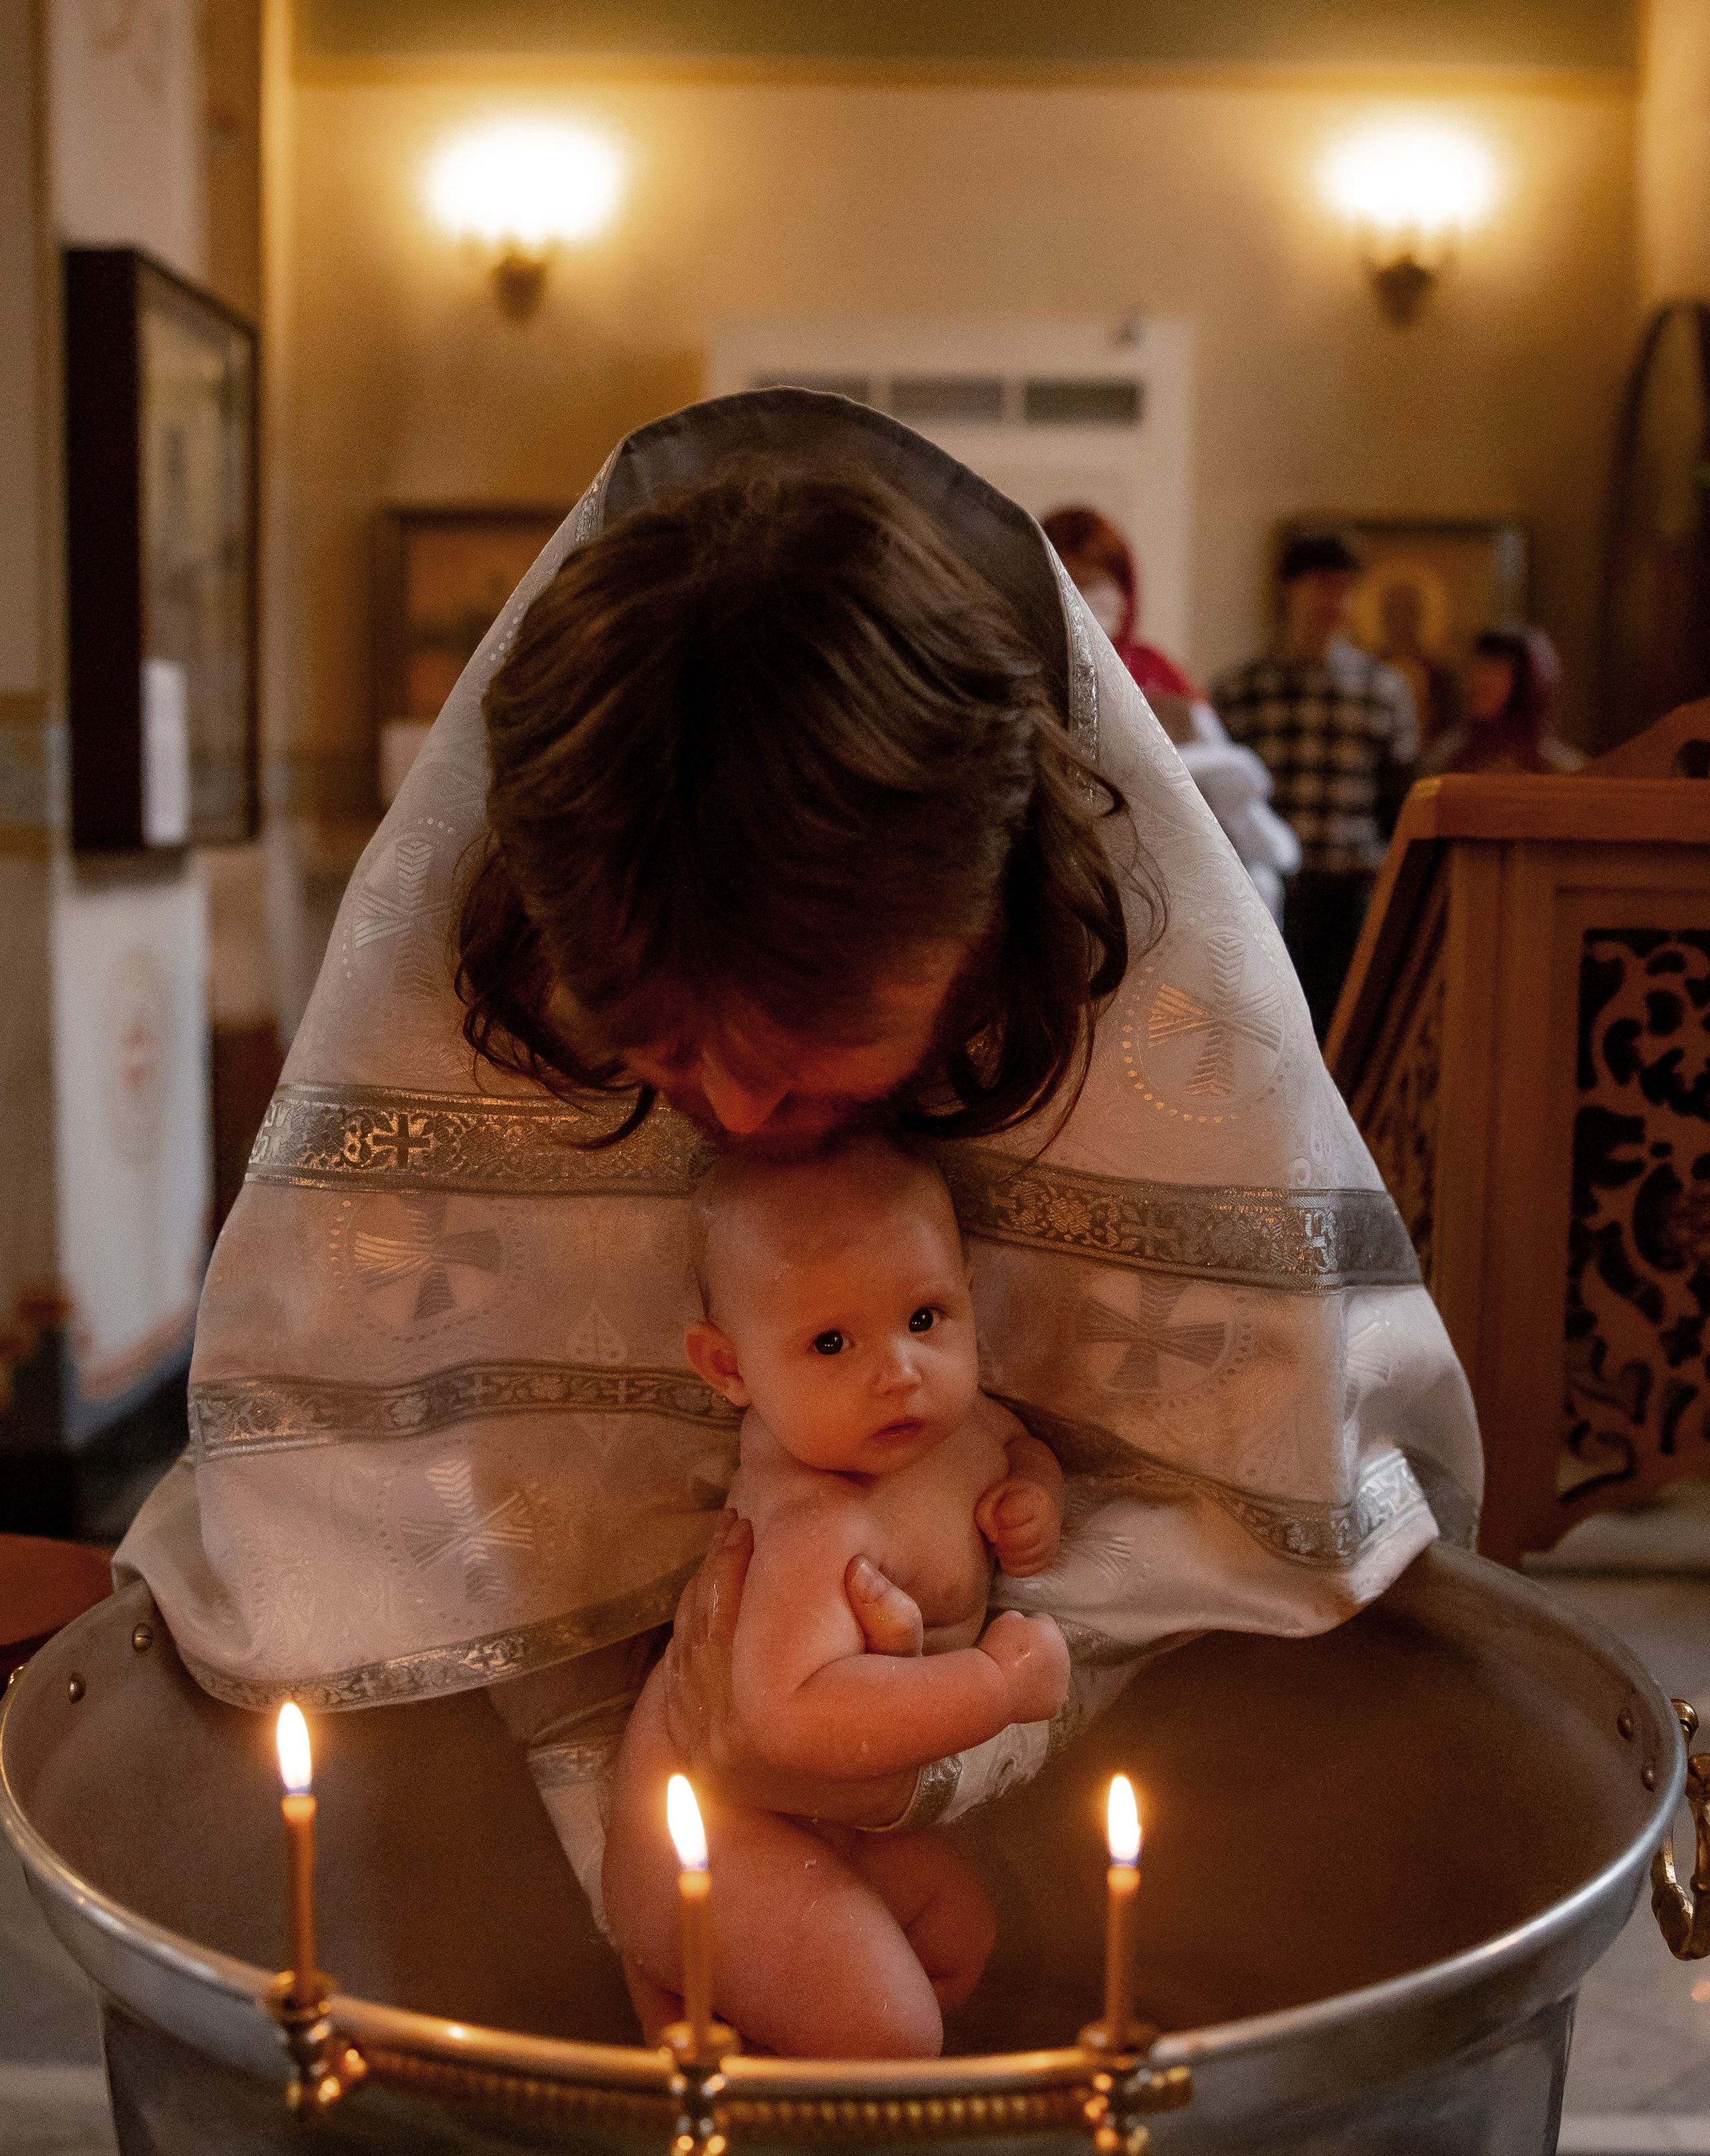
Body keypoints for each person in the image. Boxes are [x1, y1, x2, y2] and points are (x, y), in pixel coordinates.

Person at [118, 393, 1480, 1981]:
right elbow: (389, 1496)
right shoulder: (518, 975)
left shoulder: (1136, 1008)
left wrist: (941, 1689)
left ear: (988, 923)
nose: (745, 1111)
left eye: (814, 1038)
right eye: (661, 1051)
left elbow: (1260, 1498)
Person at [604, 1137, 1067, 2056]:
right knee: (889, 2033)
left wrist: (1035, 1494)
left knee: (961, 1942)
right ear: (729, 1367)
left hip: (813, 1819)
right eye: (830, 1342)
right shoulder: (815, 1522)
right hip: (715, 1839)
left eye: (926, 1317)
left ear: (968, 1291)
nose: (898, 1369)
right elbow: (791, 1717)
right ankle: (695, 2008)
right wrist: (996, 1688)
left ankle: (745, 2036)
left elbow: (1014, 1444)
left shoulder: (953, 1427)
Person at [1045, 504, 1302, 922]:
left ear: (1124, 591)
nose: (1081, 598)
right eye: (1067, 581)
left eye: (1094, 582)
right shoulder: (1027, 669)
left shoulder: (1156, 671)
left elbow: (1217, 764)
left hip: (1165, 867)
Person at [1212, 533, 1419, 1042]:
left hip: (1351, 888)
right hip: (1269, 889)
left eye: (1346, 589)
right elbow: (1221, 799)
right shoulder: (1241, 690)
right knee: (1266, 1027)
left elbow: (1399, 800)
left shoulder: (1383, 691)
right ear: (1290, 590)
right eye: (1323, 586)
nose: (1335, 602)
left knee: (1346, 1028)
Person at [1041, 505, 1198, 698]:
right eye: (1072, 586)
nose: (1084, 602)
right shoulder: (1021, 668)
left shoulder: (1156, 674)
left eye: (1096, 585)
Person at [1421, 626, 1585, 777]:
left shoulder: (1564, 772)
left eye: (1496, 669)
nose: (1479, 682)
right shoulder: (1445, 764)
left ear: (1529, 682)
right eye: (1478, 668)